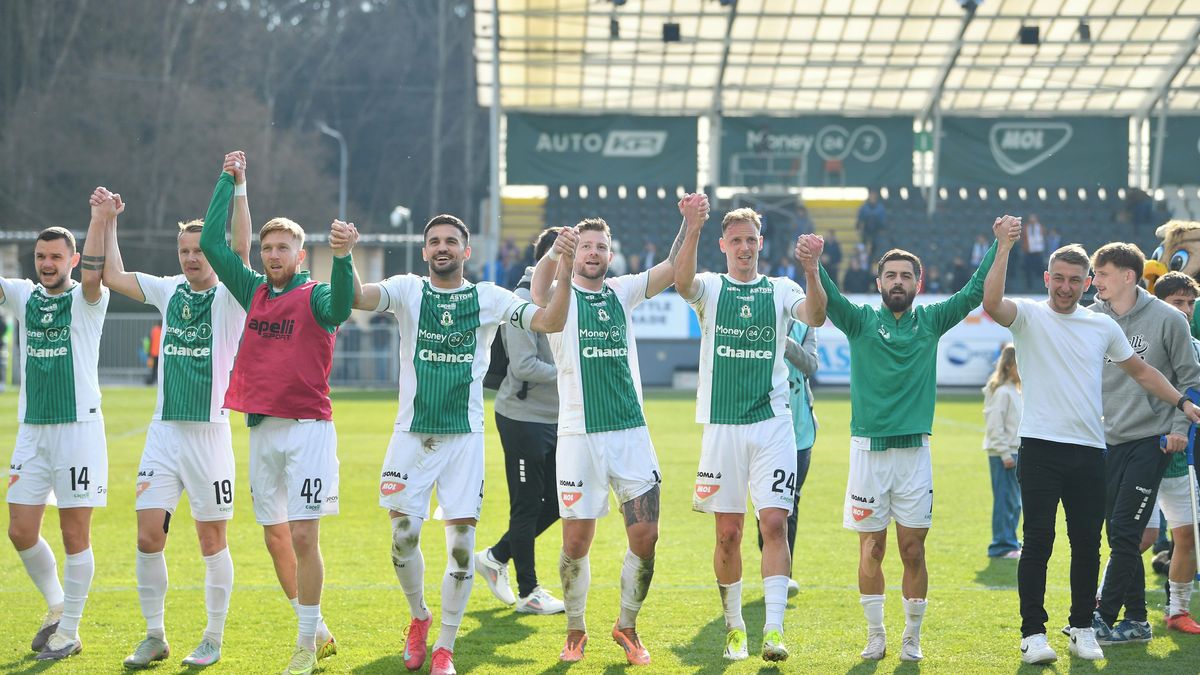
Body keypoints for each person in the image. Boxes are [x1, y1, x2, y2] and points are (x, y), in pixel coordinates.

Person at [351, 214, 571, 675]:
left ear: (466, 251)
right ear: (424, 251)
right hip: (410, 435)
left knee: (460, 547)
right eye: (434, 242)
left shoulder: (489, 298)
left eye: (451, 241)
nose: (442, 247)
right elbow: (356, 296)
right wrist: (341, 254)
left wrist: (559, 260)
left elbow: (550, 319)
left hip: (463, 440)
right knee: (403, 537)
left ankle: (445, 648)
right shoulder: (408, 290)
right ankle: (419, 618)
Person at [981, 218, 1200, 665]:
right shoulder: (1027, 315)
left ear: (1086, 285)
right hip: (1040, 447)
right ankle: (1033, 634)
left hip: (1088, 450)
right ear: (1047, 279)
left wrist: (1182, 403)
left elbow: (1142, 372)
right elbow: (990, 301)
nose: (1066, 287)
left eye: (1076, 280)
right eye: (1058, 278)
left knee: (1087, 545)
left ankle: (1082, 627)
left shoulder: (1101, 326)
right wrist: (1003, 247)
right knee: (1038, 541)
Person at [797, 222, 999, 663]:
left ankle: (911, 636)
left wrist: (1000, 245)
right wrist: (813, 265)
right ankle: (875, 634)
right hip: (867, 454)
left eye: (906, 275)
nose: (898, 282)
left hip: (915, 456)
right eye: (891, 275)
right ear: (879, 283)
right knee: (872, 548)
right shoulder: (861, 322)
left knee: (913, 549)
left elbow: (973, 291)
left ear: (918, 283)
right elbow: (828, 298)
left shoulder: (930, 321)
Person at [199, 164, 357, 675]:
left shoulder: (313, 296)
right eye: (266, 248)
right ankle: (319, 630)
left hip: (308, 428)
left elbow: (340, 307)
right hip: (262, 429)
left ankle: (305, 648)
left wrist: (343, 256)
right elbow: (212, 243)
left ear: (299, 255)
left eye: (282, 248)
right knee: (274, 539)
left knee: (304, 537)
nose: (272, 256)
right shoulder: (256, 293)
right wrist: (231, 181)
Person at [98, 154, 249, 668]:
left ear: (212, 252)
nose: (191, 257)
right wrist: (110, 220)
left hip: (210, 434)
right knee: (146, 536)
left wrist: (237, 186)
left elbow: (243, 249)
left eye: (198, 250)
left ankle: (213, 636)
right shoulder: (168, 290)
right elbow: (113, 275)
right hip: (163, 435)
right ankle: (155, 634)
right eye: (184, 250)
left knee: (211, 539)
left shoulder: (231, 294)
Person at [529, 208, 688, 666]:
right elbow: (537, 291)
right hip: (579, 435)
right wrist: (554, 254)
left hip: (631, 434)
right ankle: (575, 630)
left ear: (610, 253)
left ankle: (627, 625)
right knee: (576, 543)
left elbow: (674, 268)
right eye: (585, 247)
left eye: (600, 246)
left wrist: (689, 225)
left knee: (646, 535)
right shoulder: (560, 296)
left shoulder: (622, 292)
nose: (593, 253)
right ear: (574, 254)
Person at [674, 202, 807, 662]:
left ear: (761, 244)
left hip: (772, 424)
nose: (745, 247)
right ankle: (735, 629)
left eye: (752, 239)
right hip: (722, 428)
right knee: (728, 533)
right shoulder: (711, 287)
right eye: (737, 240)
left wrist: (811, 269)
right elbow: (682, 281)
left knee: (774, 522)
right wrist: (692, 226)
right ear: (724, 245)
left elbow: (816, 313)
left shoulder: (782, 288)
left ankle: (773, 629)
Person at [4, 192, 110, 661]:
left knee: (74, 535)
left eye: (55, 257)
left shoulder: (90, 298)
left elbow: (94, 272)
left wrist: (98, 217)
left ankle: (70, 629)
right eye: (40, 257)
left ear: (72, 259)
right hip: (33, 431)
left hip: (78, 432)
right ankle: (56, 607)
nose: (47, 264)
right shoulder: (24, 294)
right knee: (20, 530)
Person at [1089, 243, 1200, 646]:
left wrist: (1178, 430)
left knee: (1126, 532)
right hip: (1104, 441)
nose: (1094, 280)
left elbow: (1190, 378)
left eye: (1101, 273)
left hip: (1152, 440)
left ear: (1127, 276)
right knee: (1120, 534)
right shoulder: (1092, 318)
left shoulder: (1169, 319)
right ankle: (1136, 619)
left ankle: (1099, 617)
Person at [476, 227, 567, 616]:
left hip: (556, 418)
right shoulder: (519, 301)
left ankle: (496, 556)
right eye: (558, 254)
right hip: (522, 416)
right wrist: (570, 370)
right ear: (543, 258)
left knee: (561, 501)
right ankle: (530, 591)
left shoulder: (570, 297)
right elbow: (525, 365)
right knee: (528, 504)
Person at [1151, 271, 1200, 634]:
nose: (1184, 310)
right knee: (1139, 538)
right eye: (1177, 303)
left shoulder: (1196, 347)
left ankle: (1178, 611)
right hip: (1140, 449)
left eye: (1189, 303)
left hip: (1183, 458)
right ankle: (1102, 601)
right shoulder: (1142, 341)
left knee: (1187, 536)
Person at [982, 344, 1022, 559]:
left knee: (1015, 502)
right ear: (1008, 366)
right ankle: (1002, 544)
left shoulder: (1015, 391)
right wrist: (1005, 453)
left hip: (1015, 451)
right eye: (1019, 364)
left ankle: (1011, 539)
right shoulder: (1002, 392)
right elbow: (995, 425)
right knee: (1005, 500)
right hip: (1004, 454)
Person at [856, 189, 887, 259]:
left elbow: (883, 222)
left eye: (874, 195)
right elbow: (860, 220)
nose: (873, 196)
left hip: (876, 233)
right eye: (871, 195)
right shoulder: (864, 207)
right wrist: (859, 228)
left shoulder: (880, 208)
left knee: (877, 250)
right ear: (869, 196)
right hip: (866, 232)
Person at [1021, 214, 1046, 292]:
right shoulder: (1026, 227)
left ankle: (1041, 287)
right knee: (1028, 271)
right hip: (1029, 252)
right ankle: (1029, 287)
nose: (1032, 221)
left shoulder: (1040, 227)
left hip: (1038, 252)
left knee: (1040, 270)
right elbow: (1023, 238)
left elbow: (1043, 237)